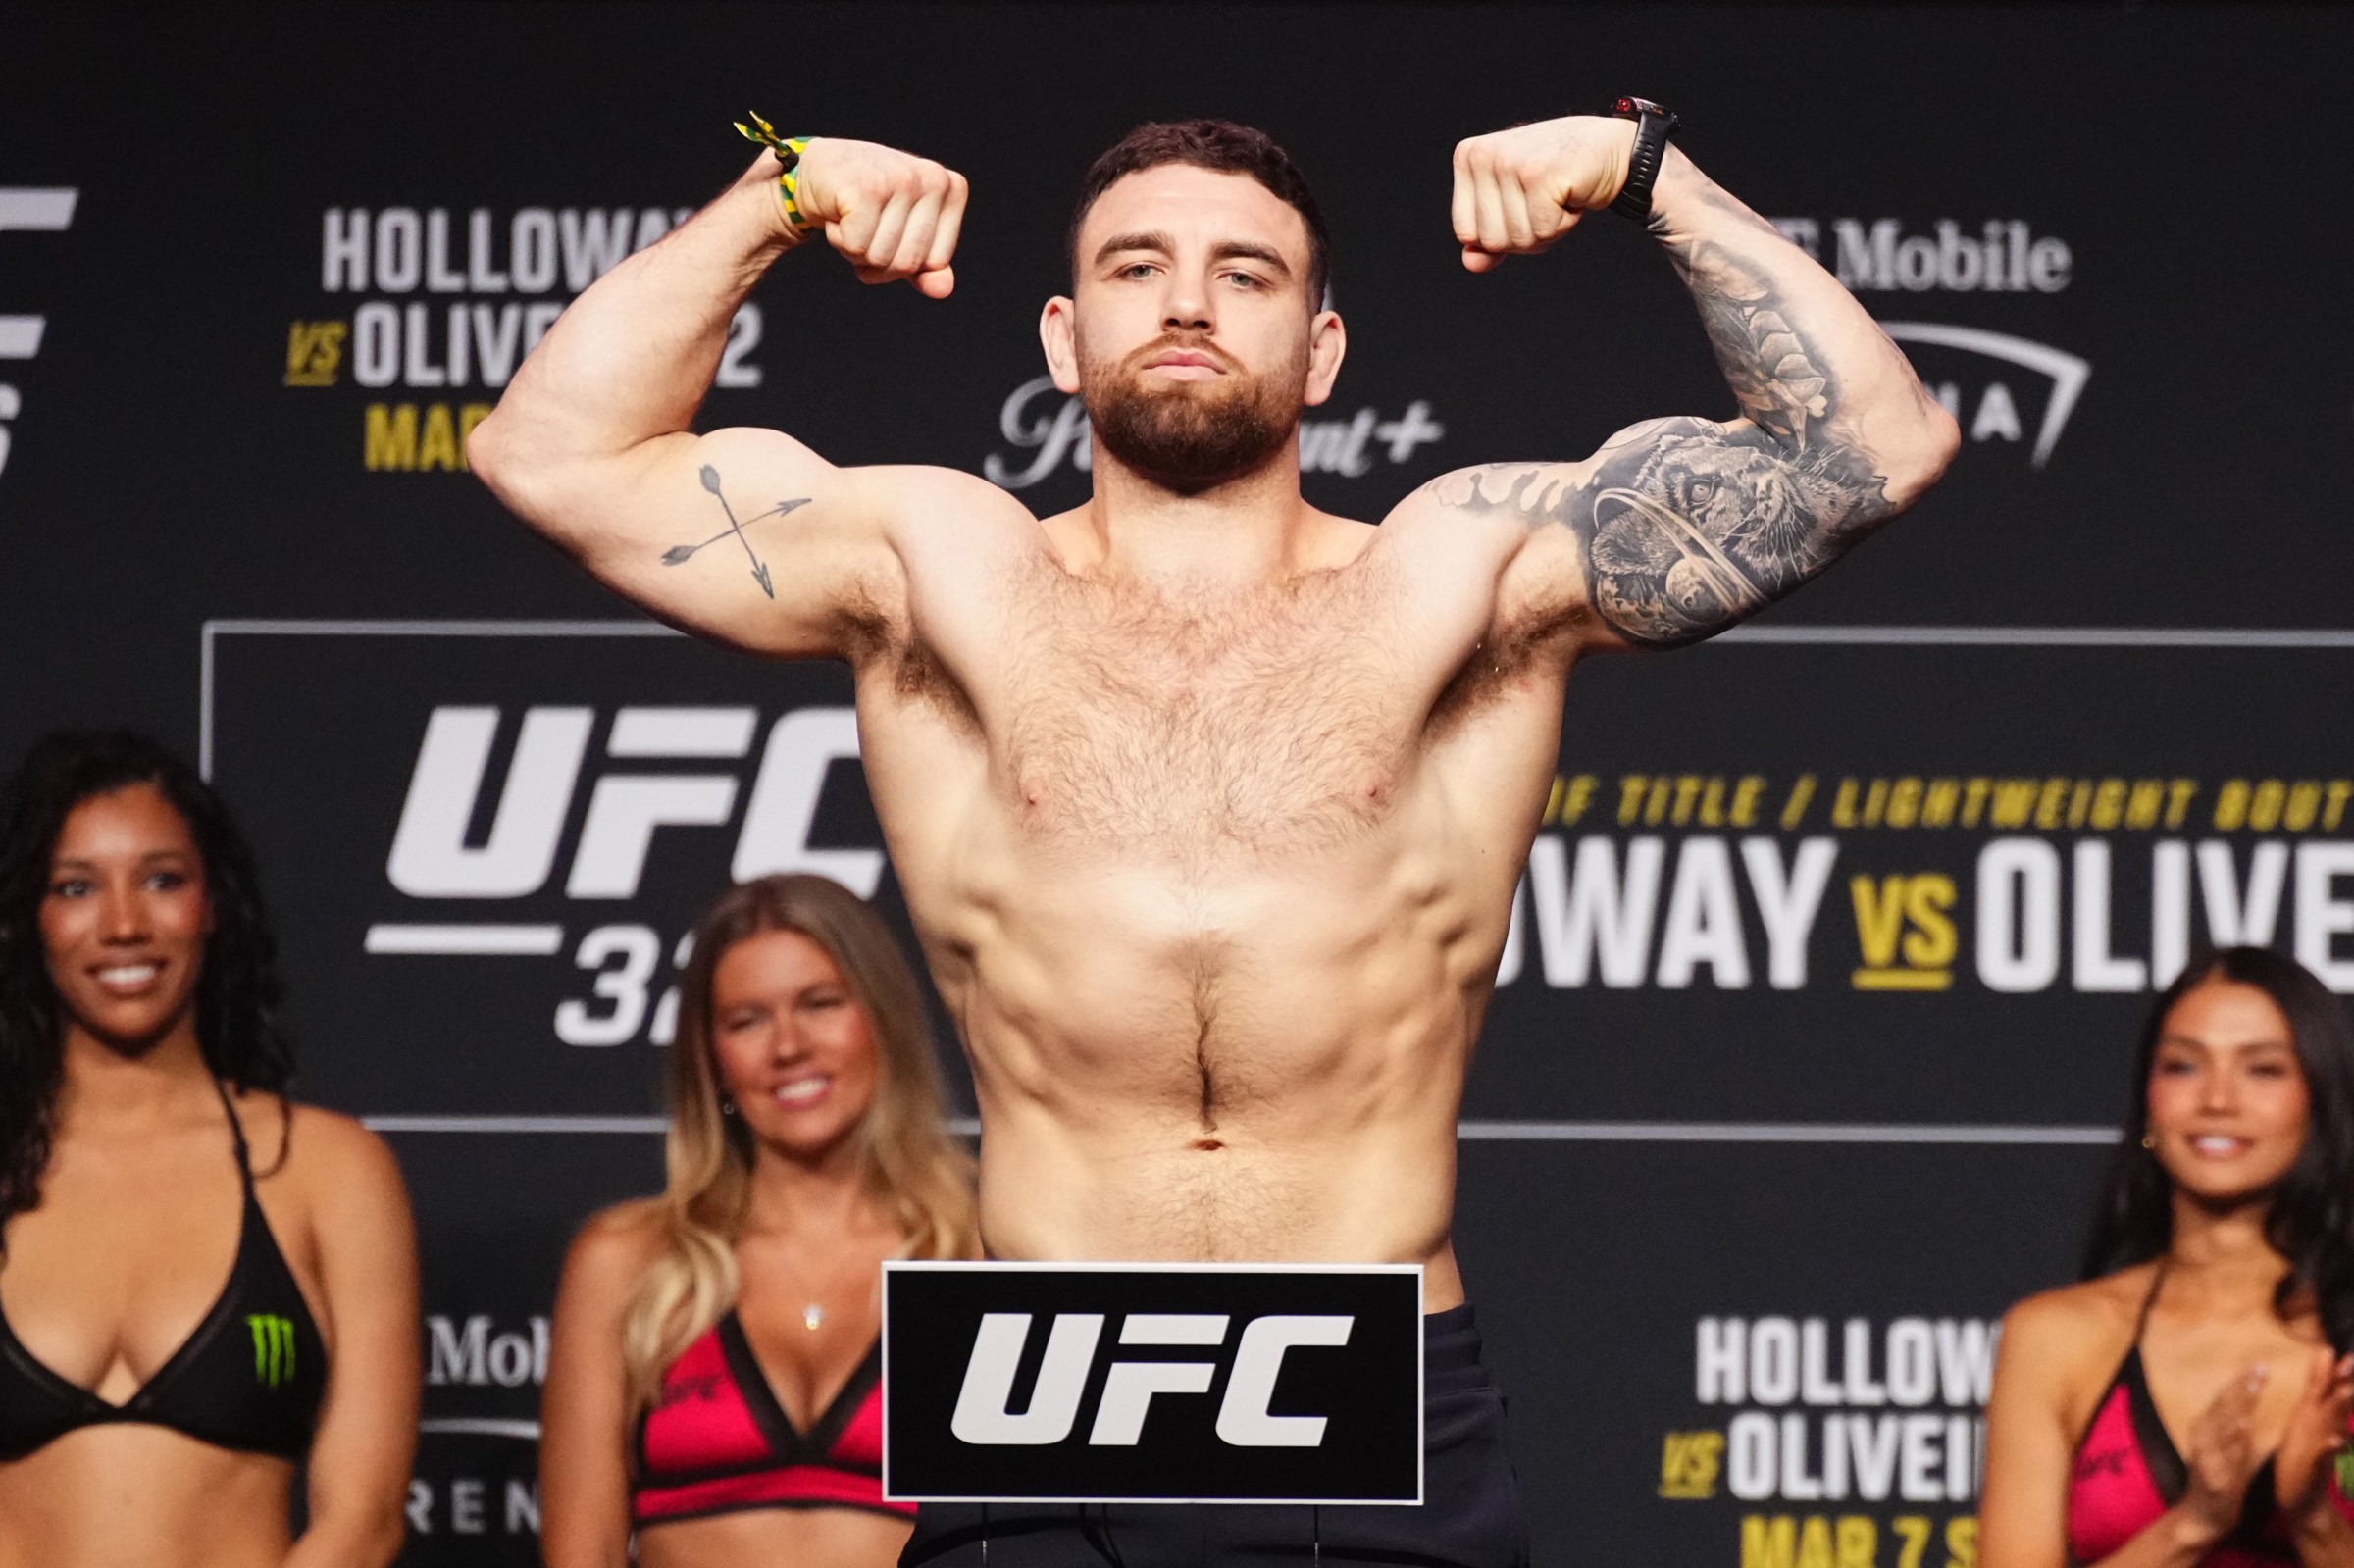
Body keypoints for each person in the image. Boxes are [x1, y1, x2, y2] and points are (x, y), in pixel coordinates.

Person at [472, 109, 1957, 1564]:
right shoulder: (934, 572)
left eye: (1246, 273)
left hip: (1373, 1377)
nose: (1187, 301)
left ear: (1322, 350)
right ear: (1062, 340)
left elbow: (1873, 451)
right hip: (1044, 1383)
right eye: (1138, 266)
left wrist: (1648, 174)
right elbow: (551, 456)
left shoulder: (1468, 576)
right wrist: (775, 202)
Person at [0, 731, 420, 1567]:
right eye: (76, 887)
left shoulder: (329, 1170)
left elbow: (364, 1518)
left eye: (162, 880)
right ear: (28, 919)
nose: (124, 924)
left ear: (213, 903)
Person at [539, 872, 978, 1568]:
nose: (788, 1046)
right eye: (747, 1020)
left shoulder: (976, 1254)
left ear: (881, 1019)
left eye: (820, 1004)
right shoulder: (627, 1260)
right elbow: (580, 1552)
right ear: (711, 1059)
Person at [1979, 948, 2354, 1568]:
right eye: (2183, 1066)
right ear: (2148, 1103)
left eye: (2263, 1070)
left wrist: (2314, 1518)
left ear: (2320, 1100)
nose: (2217, 1100)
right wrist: (2194, 1522)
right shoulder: (2052, 1339)